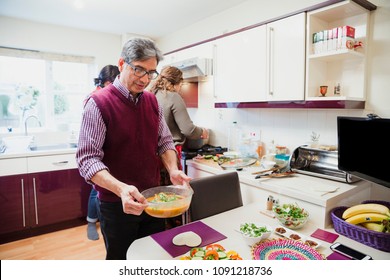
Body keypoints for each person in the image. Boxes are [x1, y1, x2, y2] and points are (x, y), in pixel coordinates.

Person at [76, 38, 191, 260]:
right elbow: (87, 160)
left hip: (154, 200)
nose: (145, 79)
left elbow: (165, 142)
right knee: (122, 260)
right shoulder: (98, 103)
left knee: (153, 258)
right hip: (117, 204)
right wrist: (120, 189)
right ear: (122, 64)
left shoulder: (151, 101)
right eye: (139, 69)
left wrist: (173, 169)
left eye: (151, 72)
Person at [150, 66, 209, 183]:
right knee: (172, 193)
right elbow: (188, 130)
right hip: (169, 153)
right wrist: (203, 132)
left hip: (153, 154)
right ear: (176, 83)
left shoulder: (152, 95)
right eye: (181, 85)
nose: (180, 88)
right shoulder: (173, 96)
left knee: (158, 194)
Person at [86, 65, 120, 241]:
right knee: (97, 190)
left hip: (110, 158)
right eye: (110, 84)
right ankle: (91, 223)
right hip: (98, 156)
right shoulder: (94, 99)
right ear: (103, 83)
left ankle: (94, 221)